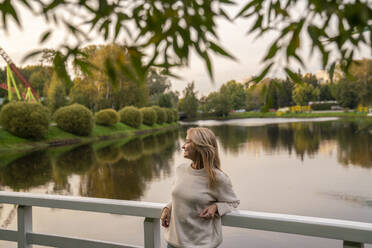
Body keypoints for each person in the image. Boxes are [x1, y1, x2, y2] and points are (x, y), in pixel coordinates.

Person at [160, 127, 239, 248]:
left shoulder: (218, 178)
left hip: (200, 245)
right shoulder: (180, 170)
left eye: (187, 142)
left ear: (200, 146)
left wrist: (216, 207)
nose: (183, 146)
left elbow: (234, 202)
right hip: (173, 243)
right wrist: (168, 208)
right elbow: (181, 195)